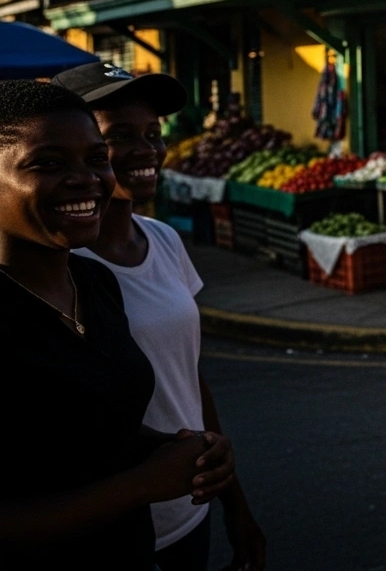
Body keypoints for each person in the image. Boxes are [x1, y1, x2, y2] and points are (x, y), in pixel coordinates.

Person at [0, 80, 235, 569]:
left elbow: (99, 425)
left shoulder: (95, 284)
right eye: (48, 164)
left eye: (95, 159)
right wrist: (144, 484)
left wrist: (177, 448)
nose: (86, 179)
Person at [51, 63, 267, 571]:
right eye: (120, 136)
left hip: (189, 509)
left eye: (153, 134)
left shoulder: (165, 241)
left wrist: (233, 498)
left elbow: (187, 377)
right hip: (113, 525)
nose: (147, 149)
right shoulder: (59, 270)